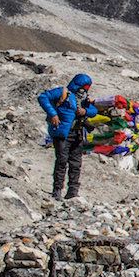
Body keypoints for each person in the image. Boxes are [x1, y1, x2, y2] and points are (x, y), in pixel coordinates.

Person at [37, 73, 97, 201]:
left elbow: (94, 111)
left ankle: (72, 191)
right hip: (62, 133)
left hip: (77, 133)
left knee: (76, 163)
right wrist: (53, 114)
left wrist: (85, 111)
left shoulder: (83, 99)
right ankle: (57, 190)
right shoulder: (63, 93)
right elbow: (43, 97)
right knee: (62, 161)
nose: (85, 90)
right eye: (84, 87)